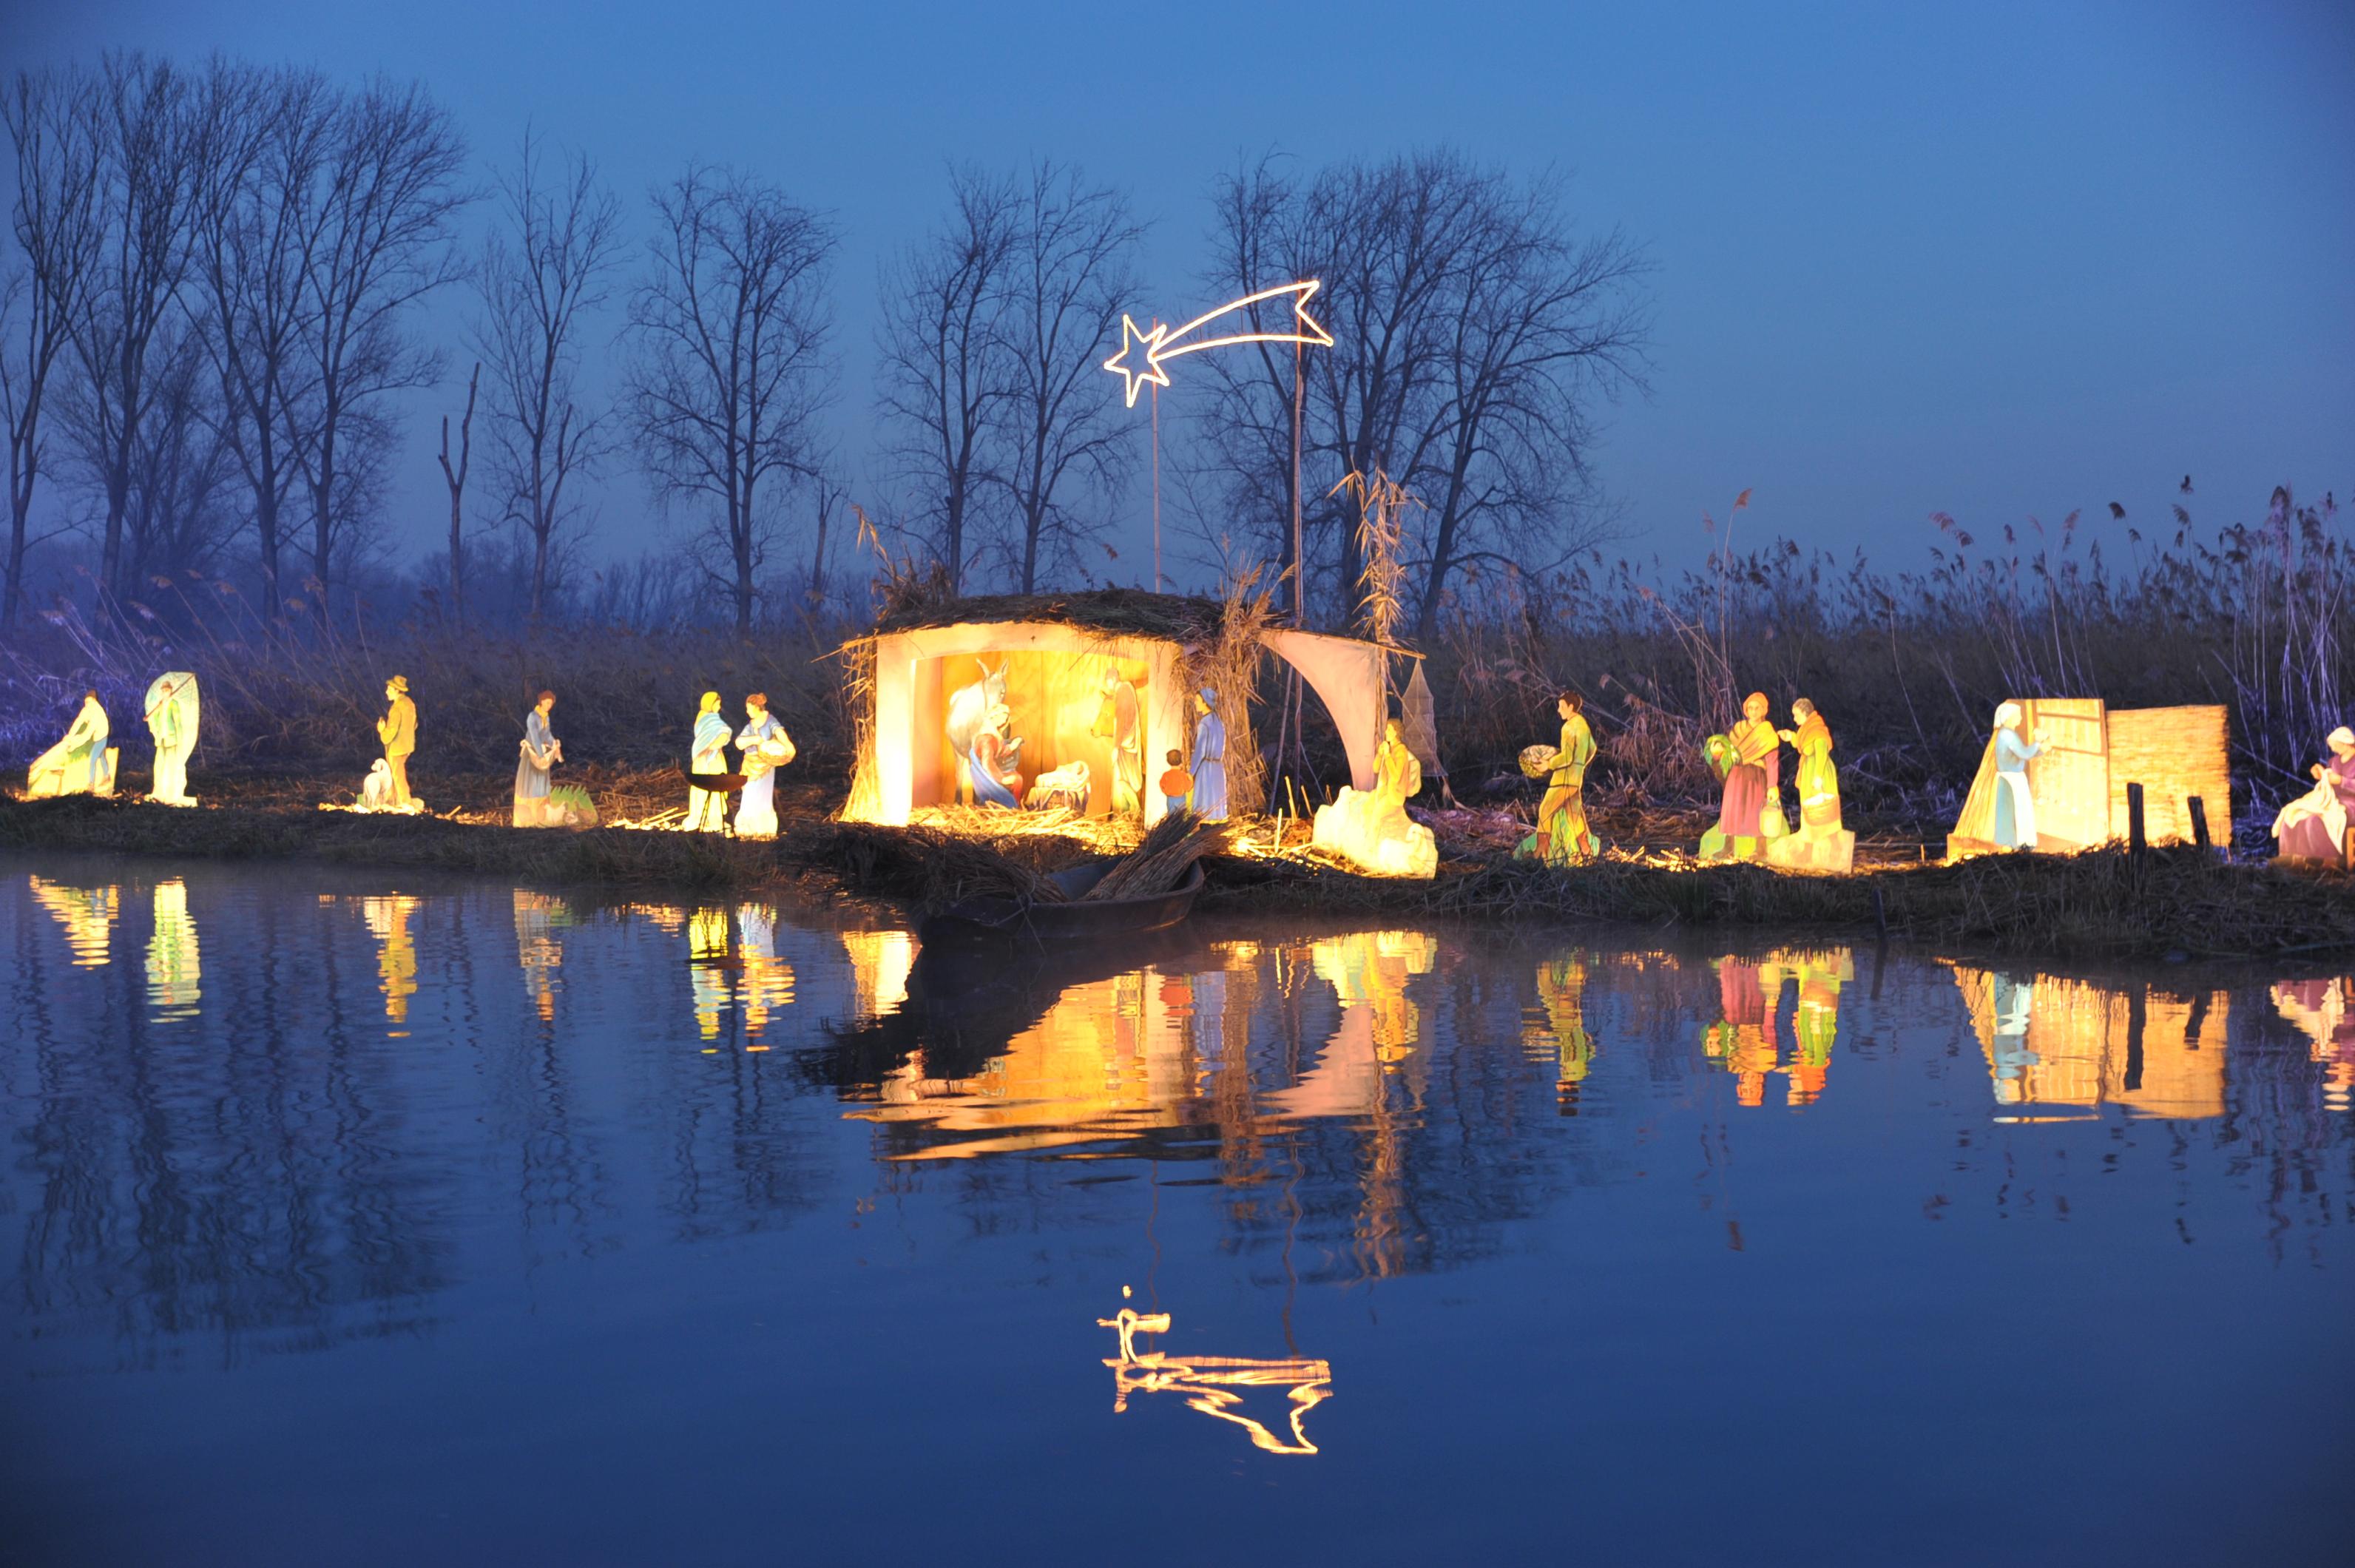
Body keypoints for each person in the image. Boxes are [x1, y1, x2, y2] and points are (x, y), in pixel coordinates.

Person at [1522, 691, 1598, 865]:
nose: (1559, 710)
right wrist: (1580, 766)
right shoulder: (1583, 725)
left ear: (1571, 707)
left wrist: (1547, 764)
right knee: (1575, 817)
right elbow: (1592, 749)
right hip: (1575, 781)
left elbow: (1566, 758)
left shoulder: (1569, 727)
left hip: (1563, 780)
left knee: (1545, 810)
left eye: (1562, 706)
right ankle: (1587, 853)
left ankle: (1539, 855)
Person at [1708, 691, 1780, 859]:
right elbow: (1728, 751)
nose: (1753, 711)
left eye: (1757, 708)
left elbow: (1772, 760)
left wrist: (1772, 785)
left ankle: (1761, 850)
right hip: (1737, 775)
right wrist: (1717, 752)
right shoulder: (1738, 729)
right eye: (1750, 708)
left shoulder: (1767, 733)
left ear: (1764, 710)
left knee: (1757, 811)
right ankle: (1728, 848)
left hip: (1756, 777)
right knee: (1732, 809)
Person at [2272, 726, 2355, 864]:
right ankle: (2293, 858)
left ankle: (2328, 861)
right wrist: (2321, 775)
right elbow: (2328, 780)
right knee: (2295, 814)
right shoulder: (2334, 761)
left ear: (2346, 743)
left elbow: (2342, 782)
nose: (2333, 749)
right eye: (2331, 746)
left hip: (2351, 803)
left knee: (2317, 820)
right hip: (2331, 799)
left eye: (2335, 745)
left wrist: (2341, 781)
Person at [27, 690, 112, 798]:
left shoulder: (97, 714)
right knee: (101, 757)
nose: (87, 704)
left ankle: (93, 784)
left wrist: (75, 744)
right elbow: (78, 721)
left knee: (94, 759)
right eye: (86, 702)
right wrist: (70, 736)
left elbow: (87, 734)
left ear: (94, 701)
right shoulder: (87, 709)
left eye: (89, 701)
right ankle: (106, 776)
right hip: (93, 736)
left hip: (101, 736)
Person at [734, 692, 794, 839]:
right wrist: (754, 739)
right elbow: (739, 742)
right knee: (749, 794)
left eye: (749, 708)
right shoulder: (751, 725)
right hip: (750, 764)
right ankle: (747, 829)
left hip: (765, 765)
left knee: (761, 795)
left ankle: (762, 829)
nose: (747, 711)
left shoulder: (770, 720)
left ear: (756, 707)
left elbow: (780, 733)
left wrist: (788, 746)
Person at [1990, 701, 2046, 851]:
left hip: (2015, 779)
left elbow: (2021, 755)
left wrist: (2040, 750)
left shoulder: (2009, 734)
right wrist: (2038, 742)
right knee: (2015, 812)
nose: (2020, 718)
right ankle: (2016, 844)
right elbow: (2024, 753)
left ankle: (2018, 843)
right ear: (2009, 717)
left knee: (2017, 811)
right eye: (2018, 715)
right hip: (2011, 780)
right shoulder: (2007, 735)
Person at [1779, 698, 1839, 834]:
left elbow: (1821, 753)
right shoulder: (1806, 730)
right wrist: (1790, 737)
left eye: (1797, 715)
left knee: (1820, 806)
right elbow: (1803, 744)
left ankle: (1823, 836)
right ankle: (1811, 835)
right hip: (1808, 771)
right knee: (1809, 805)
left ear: (1806, 713)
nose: (1794, 719)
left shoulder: (1817, 730)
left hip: (1819, 772)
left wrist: (1818, 776)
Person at [1092, 666, 1142, 820]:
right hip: (1126, 743)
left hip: (1126, 745)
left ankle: (1134, 813)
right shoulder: (1124, 691)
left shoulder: (1123, 692)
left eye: (1108, 682)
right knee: (1122, 781)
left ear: (1112, 679)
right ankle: (1126, 815)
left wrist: (1115, 747)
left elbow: (1121, 721)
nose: (1108, 686)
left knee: (1124, 780)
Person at [143, 672, 199, 805]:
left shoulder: (174, 704)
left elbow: (178, 722)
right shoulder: (160, 704)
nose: (165, 693)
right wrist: (151, 720)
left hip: (171, 738)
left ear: (170, 691)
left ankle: (172, 791)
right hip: (161, 738)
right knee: (160, 764)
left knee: (172, 763)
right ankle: (160, 790)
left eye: (167, 691)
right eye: (163, 691)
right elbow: (155, 718)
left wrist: (180, 739)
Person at [513, 690, 562, 826]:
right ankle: (527, 820)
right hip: (532, 755)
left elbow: (547, 735)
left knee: (541, 784)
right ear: (541, 702)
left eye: (551, 704)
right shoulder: (533, 717)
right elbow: (534, 737)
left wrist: (554, 744)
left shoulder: (546, 718)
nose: (549, 706)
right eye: (547, 703)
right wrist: (540, 755)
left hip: (541, 754)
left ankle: (541, 818)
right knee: (530, 783)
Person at [686, 691, 731, 832]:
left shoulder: (707, 718)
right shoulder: (709, 719)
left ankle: (714, 818)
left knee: (714, 785)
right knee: (707, 785)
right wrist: (720, 740)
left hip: (712, 756)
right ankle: (703, 818)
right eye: (718, 703)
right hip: (707, 757)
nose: (719, 706)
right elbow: (724, 731)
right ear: (711, 703)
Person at [968, 701, 1023, 809]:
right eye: (1001, 717)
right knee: (1017, 780)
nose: (1002, 721)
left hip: (993, 770)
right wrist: (1002, 779)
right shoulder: (987, 739)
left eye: (1005, 718)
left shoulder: (994, 736)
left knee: (1016, 777)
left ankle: (1014, 807)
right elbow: (988, 763)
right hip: (987, 775)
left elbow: (999, 753)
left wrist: (1012, 746)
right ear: (993, 717)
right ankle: (1012, 808)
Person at [376, 675, 418, 811]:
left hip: (397, 748)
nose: (387, 692)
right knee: (395, 774)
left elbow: (391, 732)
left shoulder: (397, 708)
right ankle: (392, 800)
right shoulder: (409, 703)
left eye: (389, 689)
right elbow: (415, 724)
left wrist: (382, 730)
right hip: (407, 746)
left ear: (396, 690)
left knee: (397, 775)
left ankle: (405, 803)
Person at [1188, 689, 1229, 820]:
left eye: (1198, 701)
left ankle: (1205, 831)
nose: (1195, 703)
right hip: (1218, 768)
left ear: (1205, 703)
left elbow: (1200, 751)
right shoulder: (1219, 722)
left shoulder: (1204, 724)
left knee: (1205, 802)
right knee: (1216, 801)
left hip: (1206, 768)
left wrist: (1191, 772)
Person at [1160, 748, 1193, 815]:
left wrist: (1167, 792)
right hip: (1180, 799)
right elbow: (1188, 788)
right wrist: (1191, 779)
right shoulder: (1183, 775)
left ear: (1168, 761)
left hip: (1170, 799)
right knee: (1180, 818)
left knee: (1171, 817)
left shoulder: (1166, 775)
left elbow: (1162, 786)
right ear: (1181, 761)